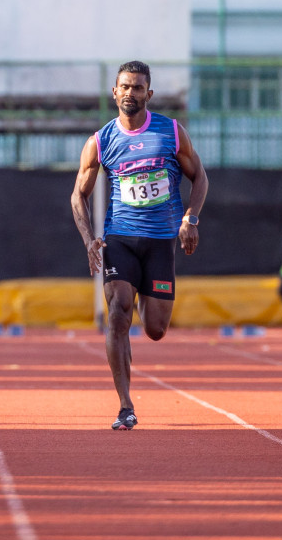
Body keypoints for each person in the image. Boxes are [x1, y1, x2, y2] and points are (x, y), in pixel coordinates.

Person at [71, 61, 209, 430]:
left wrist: (190, 218)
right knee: (118, 312)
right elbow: (77, 195)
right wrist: (89, 240)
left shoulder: (171, 132)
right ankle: (125, 405)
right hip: (120, 238)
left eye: (137, 88)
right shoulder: (100, 141)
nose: (130, 93)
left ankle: (147, 302)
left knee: (155, 329)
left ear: (149, 94)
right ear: (114, 92)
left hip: (161, 241)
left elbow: (200, 176)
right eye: (124, 87)